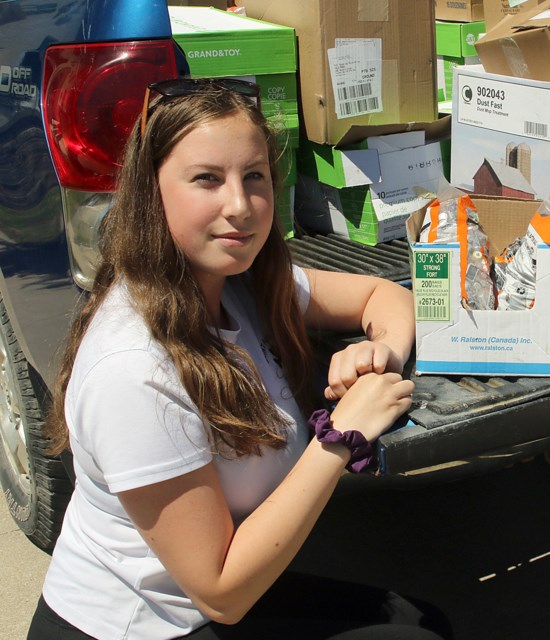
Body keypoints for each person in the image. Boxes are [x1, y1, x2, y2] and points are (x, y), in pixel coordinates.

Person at [27, 78, 448, 640]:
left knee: (422, 622)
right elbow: (221, 589)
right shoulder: (134, 370)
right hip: (148, 624)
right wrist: (341, 437)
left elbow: (383, 296)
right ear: (151, 192)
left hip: (210, 602)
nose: (240, 206)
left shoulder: (234, 279)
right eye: (206, 179)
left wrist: (380, 354)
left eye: (254, 177)